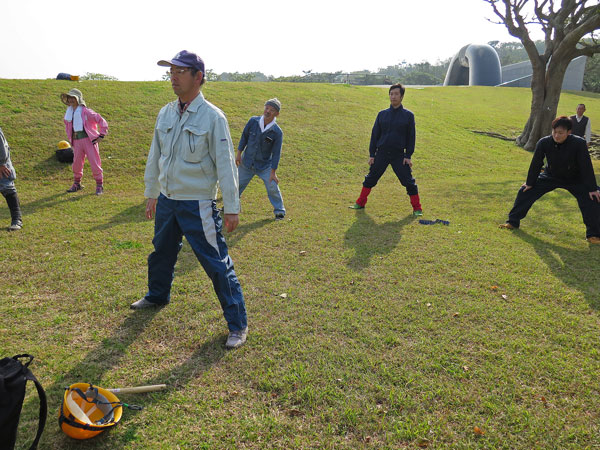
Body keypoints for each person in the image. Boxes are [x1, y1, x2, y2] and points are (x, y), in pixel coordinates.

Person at [132, 50, 248, 349]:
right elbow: (155, 156)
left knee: (216, 263)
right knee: (161, 251)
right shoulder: (166, 112)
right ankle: (157, 295)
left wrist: (232, 208)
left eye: (181, 71)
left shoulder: (213, 117)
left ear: (198, 77)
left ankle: (238, 324)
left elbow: (225, 165)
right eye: (171, 70)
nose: (173, 76)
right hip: (168, 200)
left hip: (197, 203)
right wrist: (152, 193)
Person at [499, 116, 600, 244]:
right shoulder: (544, 142)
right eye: (554, 132)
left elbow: (586, 166)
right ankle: (512, 222)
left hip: (575, 179)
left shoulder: (579, 143)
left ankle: (593, 235)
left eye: (560, 133)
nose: (556, 136)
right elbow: (536, 164)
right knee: (525, 191)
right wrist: (530, 183)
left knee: (594, 198)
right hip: (551, 176)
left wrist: (592, 188)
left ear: (569, 132)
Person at [349, 83, 423, 216]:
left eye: (396, 94)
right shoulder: (382, 114)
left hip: (399, 155)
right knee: (370, 178)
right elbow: (375, 135)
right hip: (381, 153)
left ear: (401, 97)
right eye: (391, 94)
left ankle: (417, 208)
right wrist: (372, 154)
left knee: (408, 181)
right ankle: (360, 203)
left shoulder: (408, 116)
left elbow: (411, 137)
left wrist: (408, 155)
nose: (393, 96)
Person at [236, 98, 285, 220]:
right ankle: (230, 207)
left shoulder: (277, 132)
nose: (268, 111)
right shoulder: (253, 121)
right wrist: (238, 154)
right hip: (246, 163)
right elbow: (244, 138)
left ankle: (279, 211)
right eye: (267, 108)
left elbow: (276, 153)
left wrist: (273, 173)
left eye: (272, 110)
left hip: (265, 166)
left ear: (277, 114)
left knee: (273, 187)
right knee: (236, 186)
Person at [60, 88, 108, 195]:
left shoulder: (86, 112)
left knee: (94, 162)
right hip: (77, 141)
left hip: (89, 140)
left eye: (73, 98)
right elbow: (69, 127)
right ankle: (77, 183)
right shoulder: (69, 113)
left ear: (78, 99)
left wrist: (102, 134)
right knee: (76, 163)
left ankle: (99, 185)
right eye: (69, 98)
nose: (71, 100)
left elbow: (101, 120)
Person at [0, 127, 22, 231]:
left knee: (7, 188)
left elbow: (2, 147)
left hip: (1, 165)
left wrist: (1, 163)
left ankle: (17, 220)